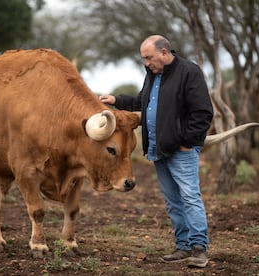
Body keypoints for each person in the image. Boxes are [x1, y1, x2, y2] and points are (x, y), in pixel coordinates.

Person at [99, 35, 213, 268]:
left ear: (164, 53)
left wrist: (188, 142)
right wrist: (116, 100)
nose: (146, 63)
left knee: (190, 197)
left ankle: (199, 248)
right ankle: (183, 246)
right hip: (158, 149)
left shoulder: (189, 72)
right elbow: (143, 102)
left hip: (181, 150)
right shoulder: (152, 75)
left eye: (149, 57)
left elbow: (202, 112)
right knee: (173, 201)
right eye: (144, 59)